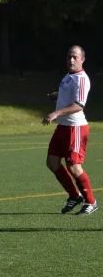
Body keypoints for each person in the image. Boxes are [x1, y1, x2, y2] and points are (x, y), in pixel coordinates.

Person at [43, 45, 97, 215]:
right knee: (52, 162)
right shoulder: (69, 76)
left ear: (82, 59)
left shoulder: (81, 78)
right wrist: (56, 95)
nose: (71, 60)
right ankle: (74, 196)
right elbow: (68, 95)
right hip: (63, 127)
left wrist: (56, 112)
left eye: (75, 57)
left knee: (74, 166)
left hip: (76, 128)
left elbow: (79, 105)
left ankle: (91, 202)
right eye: (69, 57)